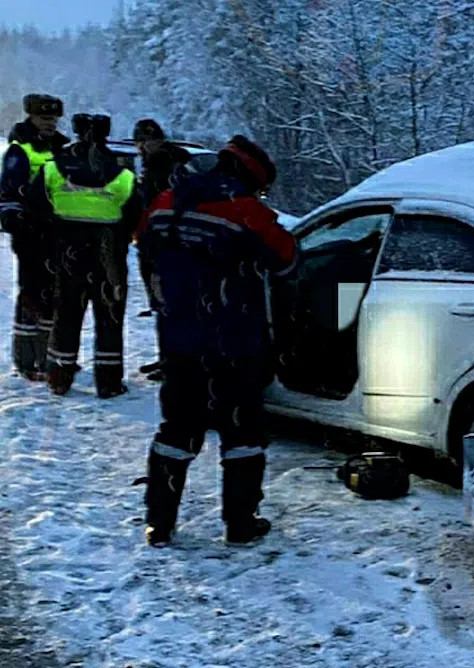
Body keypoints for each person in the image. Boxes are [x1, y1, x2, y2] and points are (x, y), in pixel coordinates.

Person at [136, 135, 297, 547]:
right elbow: (286, 259)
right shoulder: (247, 211)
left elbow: (144, 245)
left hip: (178, 340)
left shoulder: (166, 203)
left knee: (176, 430)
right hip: (234, 342)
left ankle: (159, 523)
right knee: (242, 434)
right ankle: (241, 524)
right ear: (250, 176)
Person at [27, 113, 140, 398]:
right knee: (109, 317)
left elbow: (35, 206)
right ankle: (109, 382)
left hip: (68, 252)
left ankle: (59, 377)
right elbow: (135, 213)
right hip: (108, 254)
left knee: (66, 314)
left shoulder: (54, 167)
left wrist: (52, 235)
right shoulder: (121, 172)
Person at [0, 94, 68, 380]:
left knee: (54, 294)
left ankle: (48, 354)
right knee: (32, 293)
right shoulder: (20, 150)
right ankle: (27, 358)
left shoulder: (64, 148)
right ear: (31, 118)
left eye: (53, 119)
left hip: (58, 231)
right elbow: (8, 191)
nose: (49, 124)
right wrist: (16, 221)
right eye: (44, 118)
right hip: (30, 233)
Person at [131, 118, 192, 381]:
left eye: (148, 141)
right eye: (142, 141)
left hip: (164, 247)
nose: (144, 146)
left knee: (169, 306)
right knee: (162, 305)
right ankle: (167, 358)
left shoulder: (165, 168)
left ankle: (174, 362)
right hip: (153, 244)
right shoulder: (161, 166)